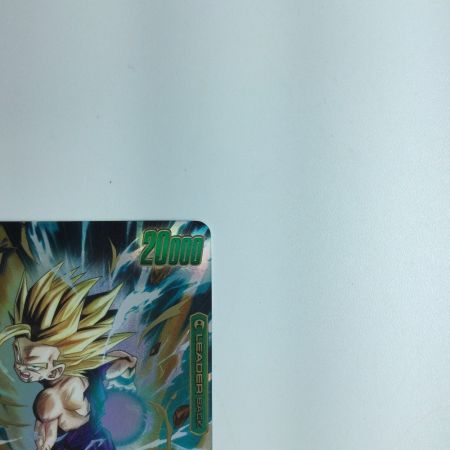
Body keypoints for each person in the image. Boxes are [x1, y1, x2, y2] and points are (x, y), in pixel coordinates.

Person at [0, 265, 137, 450]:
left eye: (32, 366)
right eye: (17, 354)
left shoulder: (53, 396)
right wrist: (128, 366)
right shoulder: (85, 375)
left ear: (56, 370)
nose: (19, 367)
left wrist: (128, 367)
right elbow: (44, 441)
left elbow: (44, 443)